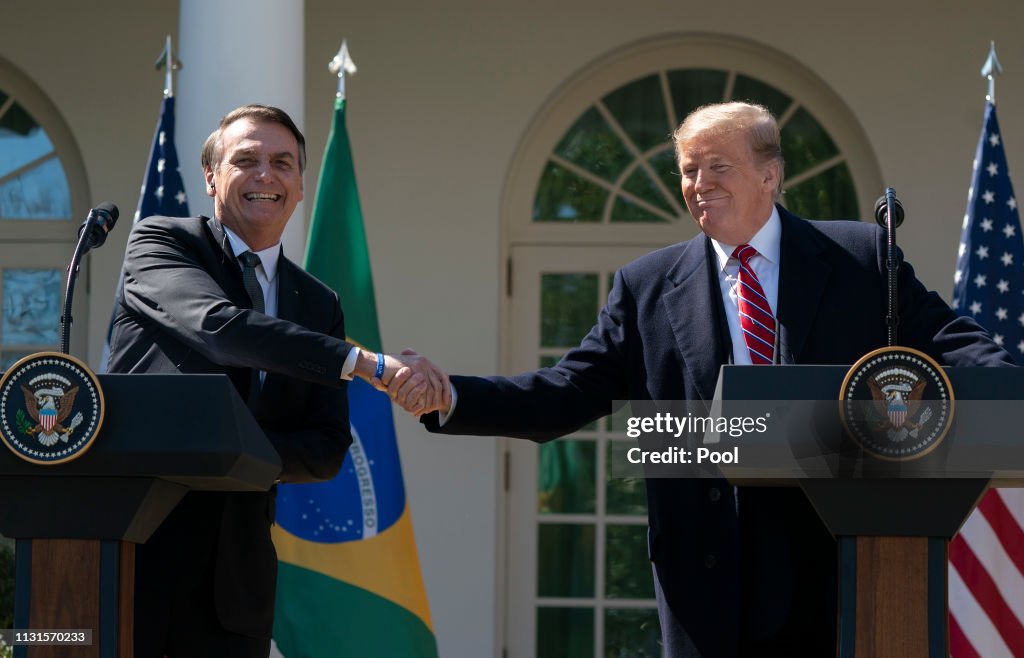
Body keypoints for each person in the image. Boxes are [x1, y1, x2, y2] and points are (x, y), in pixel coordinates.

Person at [388, 102, 1014, 656]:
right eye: (688, 169)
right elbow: (567, 392)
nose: (697, 184)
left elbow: (953, 342)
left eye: (718, 166)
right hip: (707, 574)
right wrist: (455, 395)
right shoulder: (646, 286)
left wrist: (1013, 393)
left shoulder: (859, 257)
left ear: (770, 174)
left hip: (834, 559)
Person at [107, 103, 447, 658]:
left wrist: (219, 450)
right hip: (136, 560)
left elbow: (326, 449)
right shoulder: (161, 245)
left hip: (236, 589)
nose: (267, 175)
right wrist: (369, 364)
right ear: (212, 177)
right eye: (247, 160)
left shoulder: (318, 302)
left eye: (283, 163)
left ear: (301, 186)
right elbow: (218, 327)